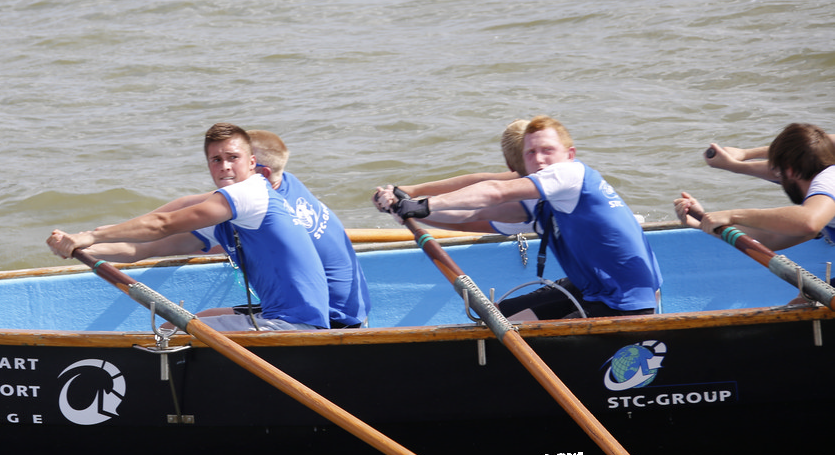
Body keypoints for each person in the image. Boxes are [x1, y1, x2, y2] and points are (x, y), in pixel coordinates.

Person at [373, 115, 662, 321]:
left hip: (626, 304)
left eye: (548, 151)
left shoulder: (571, 174)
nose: (540, 160)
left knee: (523, 337)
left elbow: (494, 191)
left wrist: (422, 204)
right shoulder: (541, 204)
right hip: (590, 289)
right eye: (531, 153)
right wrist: (406, 210)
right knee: (496, 316)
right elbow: (471, 217)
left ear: (570, 154)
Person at [46, 123, 330, 331]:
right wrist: (79, 247)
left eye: (233, 157)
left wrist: (91, 235)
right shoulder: (225, 216)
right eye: (216, 160)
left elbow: (162, 224)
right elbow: (140, 249)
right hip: (280, 317)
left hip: (293, 325)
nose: (225, 166)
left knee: (171, 335)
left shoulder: (250, 193)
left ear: (252, 162)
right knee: (177, 325)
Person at [248, 130, 370, 327]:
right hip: (355, 314)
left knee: (197, 325)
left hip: (329, 319)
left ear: (263, 173)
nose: (229, 168)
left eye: (239, 160)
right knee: (210, 314)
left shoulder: (266, 210)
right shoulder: (287, 180)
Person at [676, 122, 835, 250]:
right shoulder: (822, 205)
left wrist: (733, 215)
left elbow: (808, 222)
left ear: (790, 171)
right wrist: (704, 222)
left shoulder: (828, 179)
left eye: (776, 171)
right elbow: (772, 238)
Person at [375, 118, 531, 235]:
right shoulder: (538, 175)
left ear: (510, 166)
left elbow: (468, 219)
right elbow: (483, 180)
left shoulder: (524, 207)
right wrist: (410, 192)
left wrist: (406, 208)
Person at [703, 129, 835, 183]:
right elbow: (819, 146)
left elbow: (798, 168)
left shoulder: (824, 182)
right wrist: (745, 153)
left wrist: (734, 166)